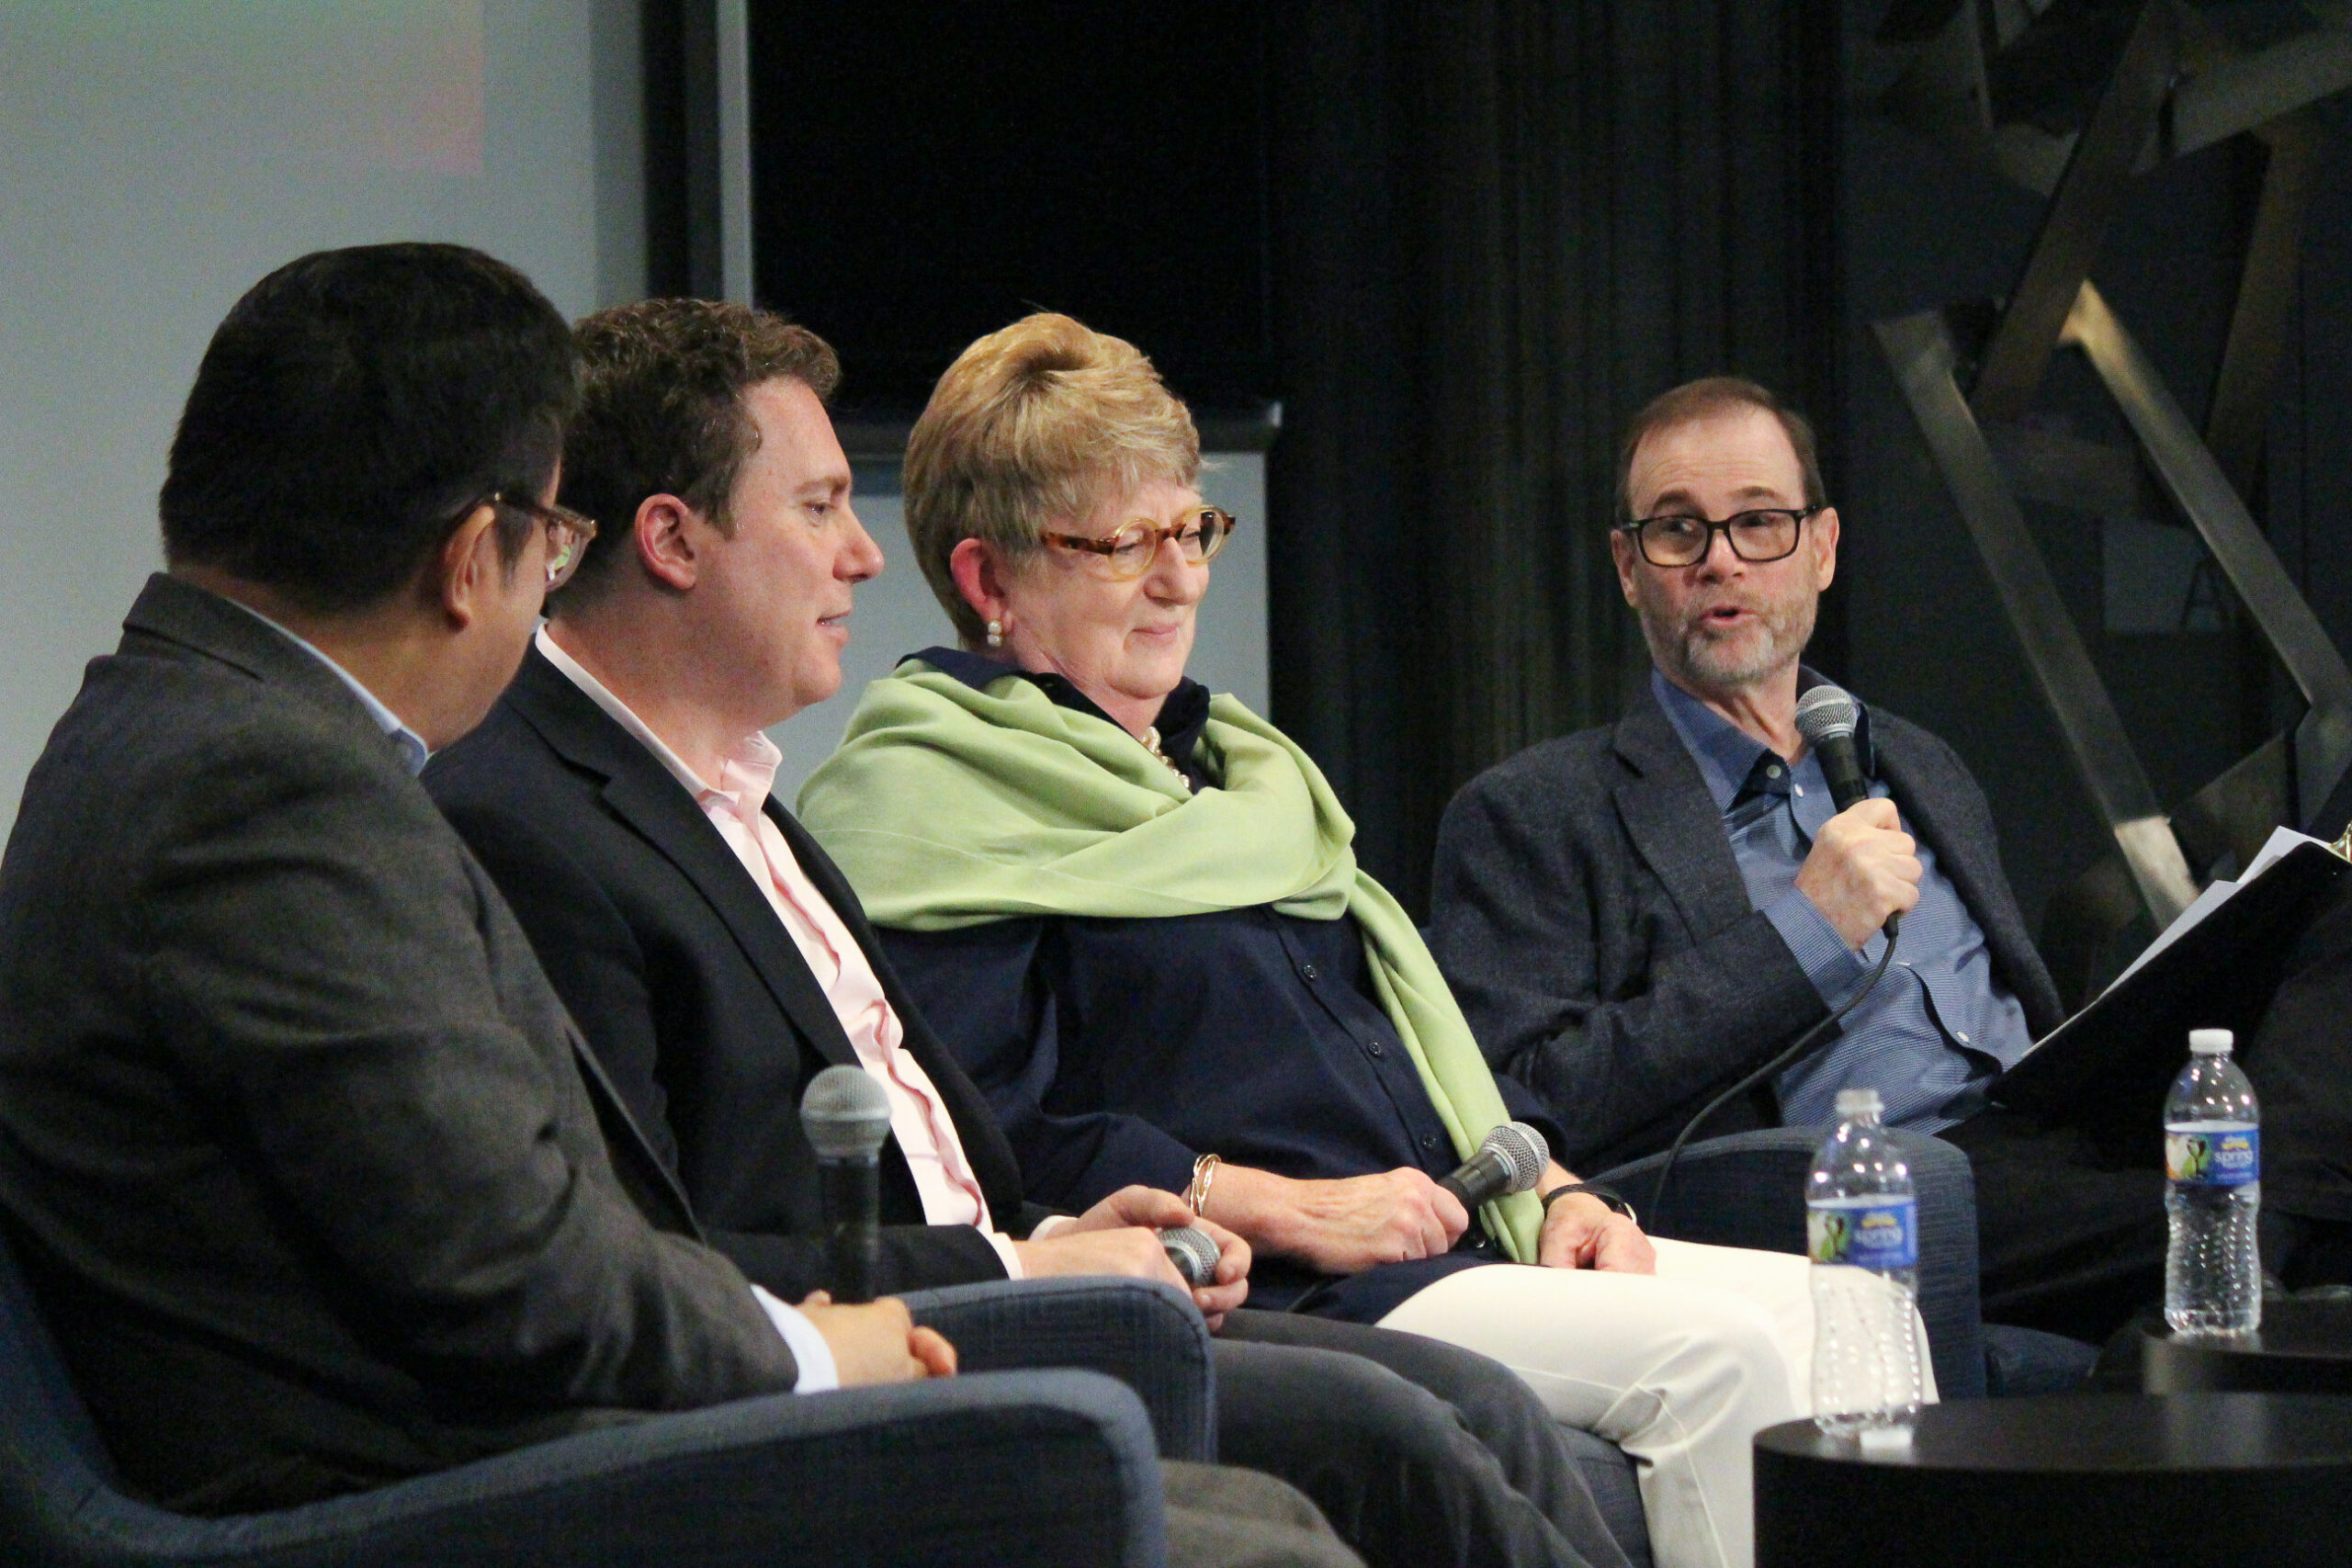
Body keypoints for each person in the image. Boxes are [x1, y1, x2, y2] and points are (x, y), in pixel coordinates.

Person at [0, 245, 1354, 1568]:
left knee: (1267, 1504)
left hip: (485, 1447)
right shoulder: (269, 791)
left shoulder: (170, 723)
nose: (551, 579)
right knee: (1259, 1530)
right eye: (550, 534)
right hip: (442, 1494)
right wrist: (828, 1343)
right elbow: (526, 1278)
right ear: (477, 555)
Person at [423, 296, 1634, 1568]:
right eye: (822, 506)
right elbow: (643, 1259)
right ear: (672, 539)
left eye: (1190, 531)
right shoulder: (534, 816)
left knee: (1465, 1404)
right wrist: (1026, 1262)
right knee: (1397, 1441)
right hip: (884, 1348)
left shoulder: (740, 794)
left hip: (1029, 1275)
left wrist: (1062, 1232)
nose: (864, 556)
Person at [798, 314, 1921, 1568]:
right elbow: (997, 1124)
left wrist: (1550, 1186)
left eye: (1189, 529)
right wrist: (1283, 1206)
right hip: (1289, 1279)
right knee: (1717, 1361)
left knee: (1856, 1305)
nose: (1179, 577)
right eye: (1124, 544)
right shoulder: (929, 796)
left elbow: (1408, 1046)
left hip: (1448, 1216)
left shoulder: (1236, 771)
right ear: (989, 579)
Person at [1422, 374, 2352, 1348]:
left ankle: (2278, 1212)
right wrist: (1804, 932)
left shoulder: (1918, 764)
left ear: (1821, 549)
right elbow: (1524, 1098)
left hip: (2049, 1142)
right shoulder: (1536, 811)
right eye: (1676, 530)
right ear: (1627, 566)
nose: (1720, 562)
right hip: (1858, 1184)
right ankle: (2275, 1226)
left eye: (1759, 524)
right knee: (2216, 1223)